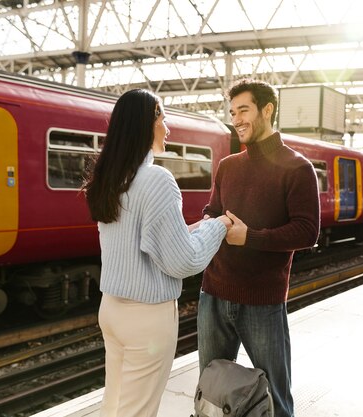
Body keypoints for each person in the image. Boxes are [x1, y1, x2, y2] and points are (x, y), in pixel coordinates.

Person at [83, 89, 233, 417]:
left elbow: (142, 239)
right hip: (147, 317)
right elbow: (185, 261)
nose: (168, 129)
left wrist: (194, 228)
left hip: (112, 309)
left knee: (116, 403)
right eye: (163, 119)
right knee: (138, 411)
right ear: (145, 125)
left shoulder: (111, 179)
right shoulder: (157, 180)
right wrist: (219, 226)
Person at [197, 79, 321, 417]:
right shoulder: (228, 166)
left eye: (244, 110)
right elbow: (213, 209)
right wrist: (210, 222)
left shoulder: (297, 167)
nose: (236, 119)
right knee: (210, 392)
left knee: (276, 398)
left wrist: (250, 237)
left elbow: (307, 231)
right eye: (233, 112)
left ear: (267, 110)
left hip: (263, 300)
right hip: (214, 293)